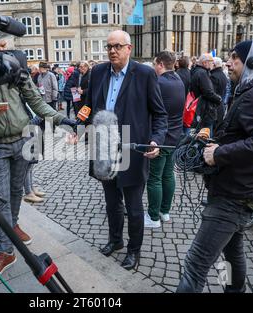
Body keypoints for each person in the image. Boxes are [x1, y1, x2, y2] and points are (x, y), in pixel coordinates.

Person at [177, 40, 253, 293]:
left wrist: (220, 153)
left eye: (235, 58)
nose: (228, 62)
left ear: (252, 62)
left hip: (233, 195)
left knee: (195, 264)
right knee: (233, 253)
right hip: (240, 190)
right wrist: (215, 142)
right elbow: (248, 136)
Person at [0, 39, 74, 280]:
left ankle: (14, 224)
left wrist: (62, 120)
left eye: (3, 48)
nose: (2, 52)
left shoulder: (17, 71)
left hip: (22, 140)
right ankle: (6, 251)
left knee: (17, 191)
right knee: (0, 199)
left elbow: (37, 103)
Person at [86, 30, 167, 270]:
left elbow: (160, 114)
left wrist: (155, 141)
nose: (112, 50)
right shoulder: (98, 71)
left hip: (132, 149)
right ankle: (116, 240)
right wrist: (80, 127)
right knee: (112, 203)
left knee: (133, 208)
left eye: (118, 46)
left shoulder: (144, 74)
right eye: (109, 46)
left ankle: (134, 251)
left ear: (129, 48)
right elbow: (89, 106)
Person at [145, 51, 185, 228]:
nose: (154, 67)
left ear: (160, 64)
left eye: (155, 64)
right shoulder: (179, 80)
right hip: (175, 136)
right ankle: (165, 211)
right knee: (168, 175)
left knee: (154, 178)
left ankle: (153, 217)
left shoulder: (158, 82)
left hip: (160, 137)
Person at [190, 53, 223, 134]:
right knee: (205, 135)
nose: (212, 63)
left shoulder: (198, 71)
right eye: (211, 61)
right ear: (205, 63)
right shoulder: (202, 73)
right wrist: (219, 99)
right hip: (204, 110)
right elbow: (208, 92)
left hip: (201, 109)